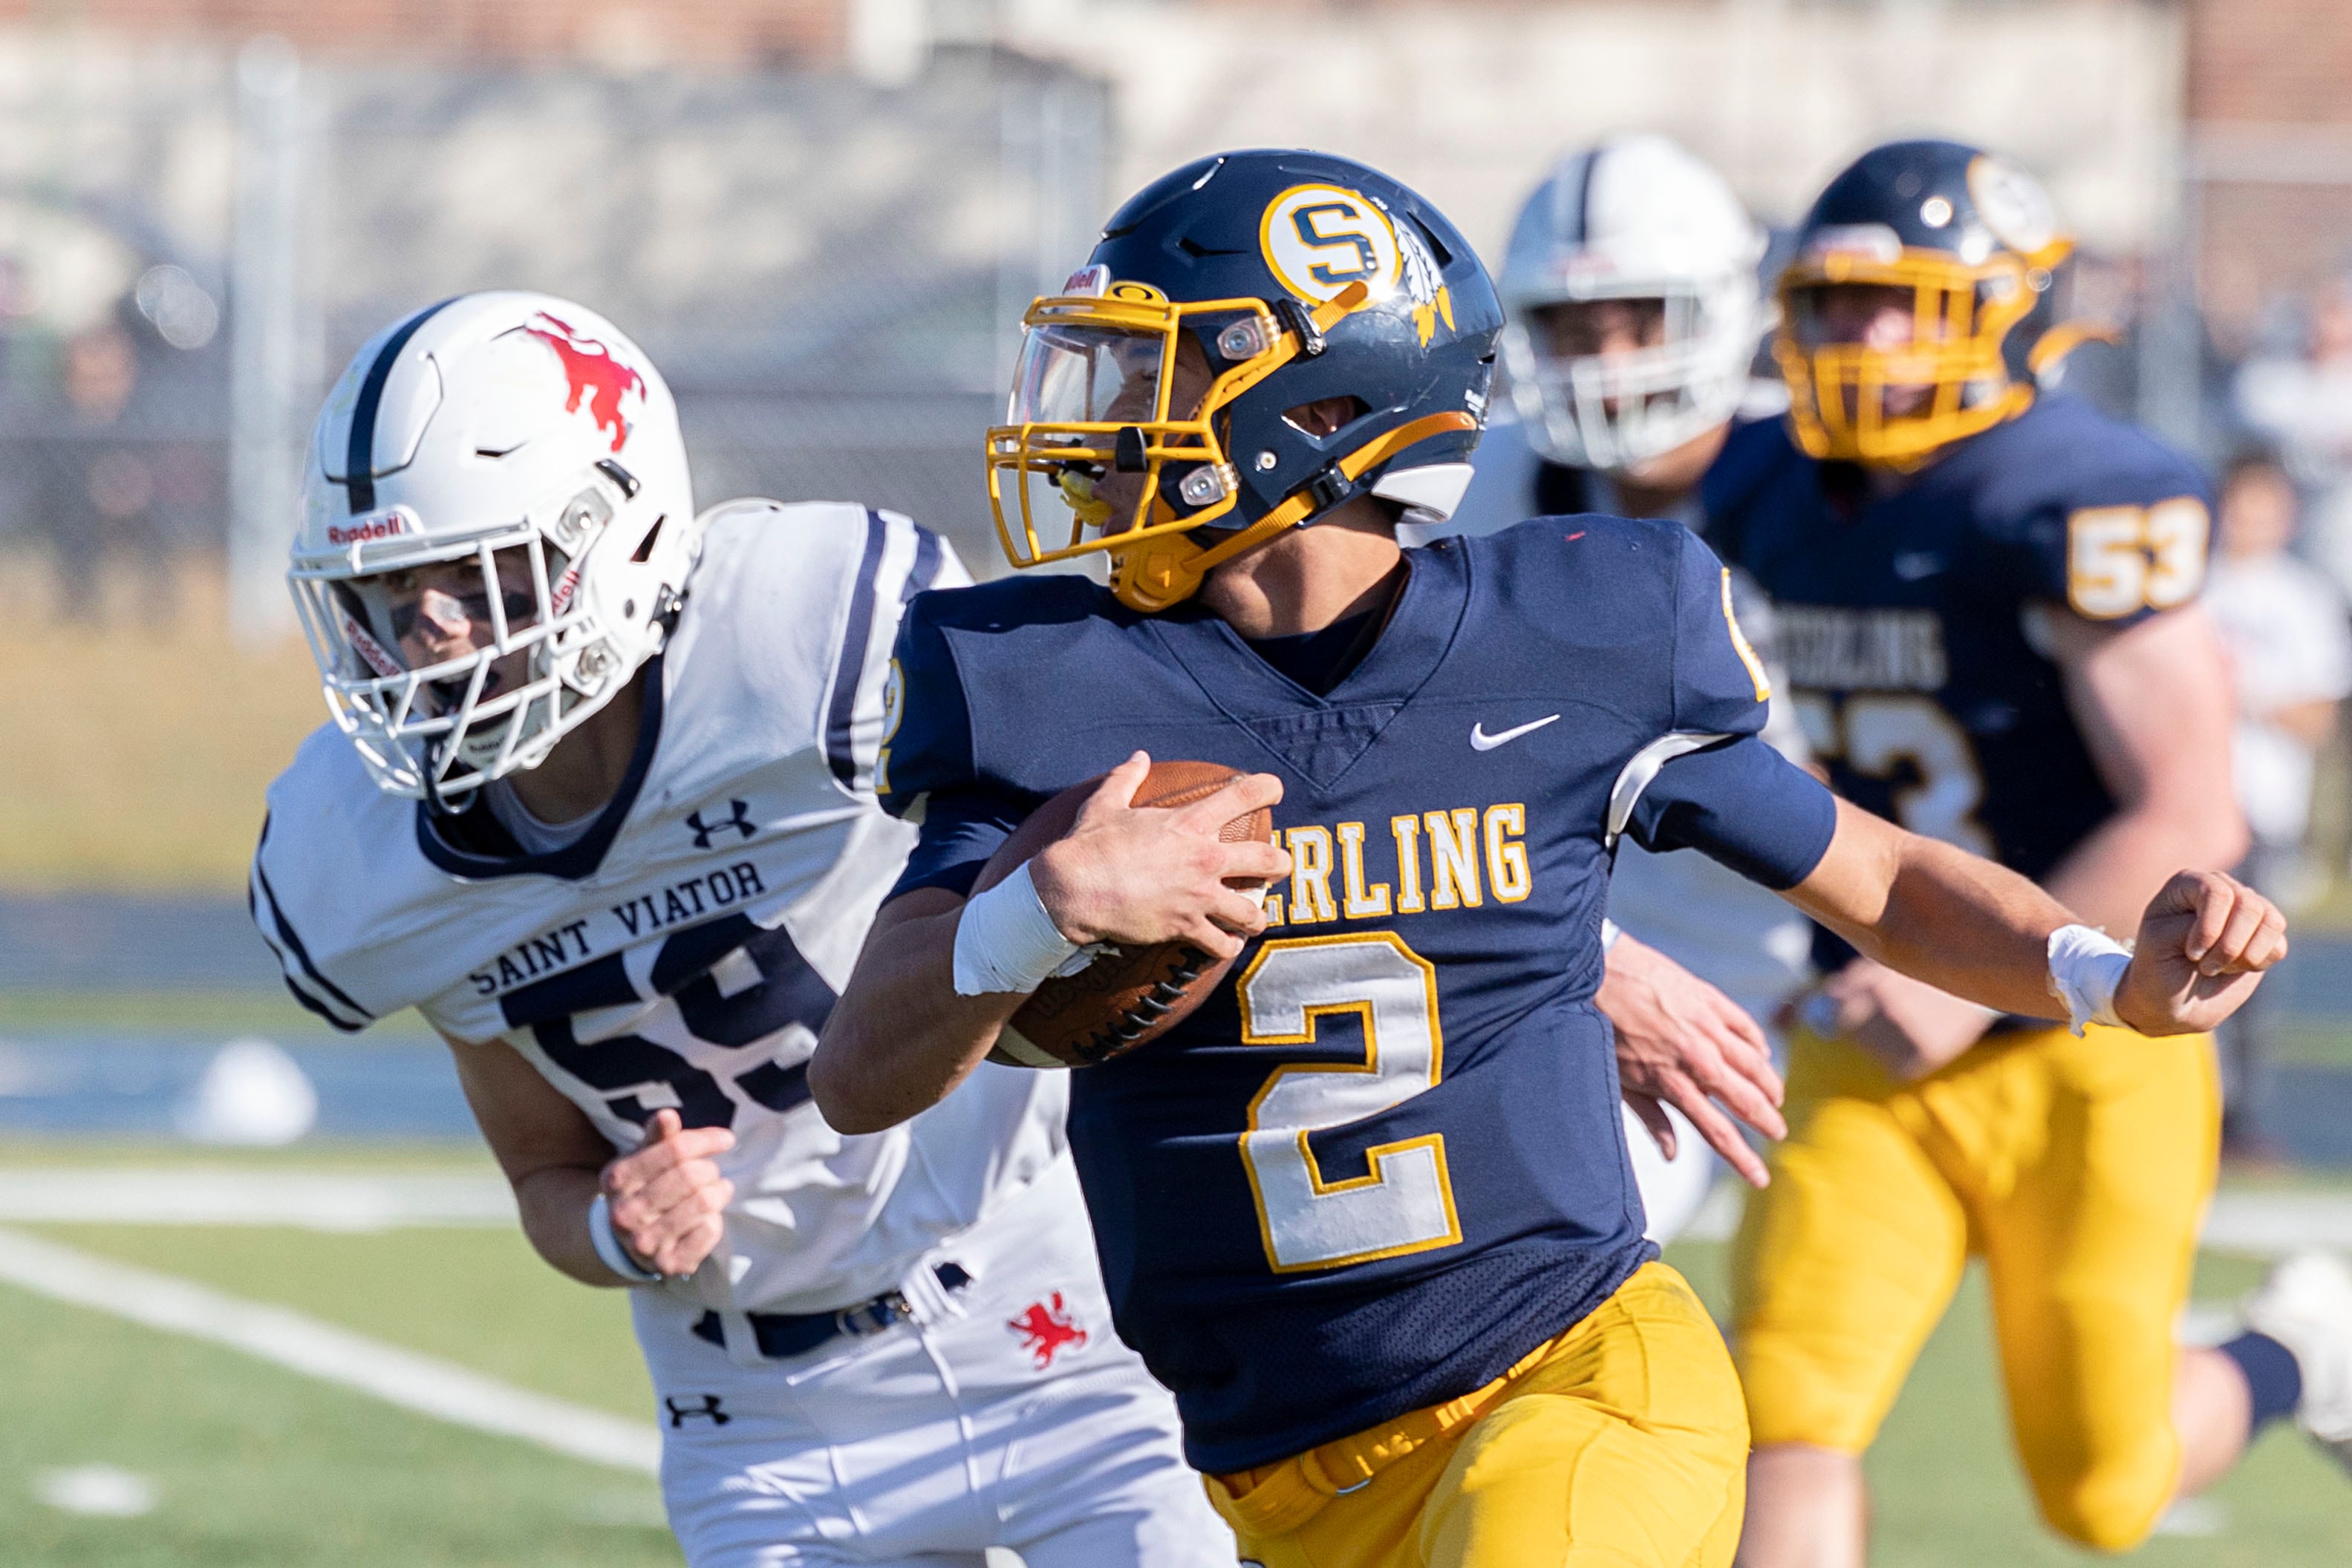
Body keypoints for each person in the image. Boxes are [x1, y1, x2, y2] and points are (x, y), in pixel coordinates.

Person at [806, 149, 2284, 1568]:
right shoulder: (1040, 677)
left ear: (1313, 401)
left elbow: (1876, 879)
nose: (1102, 414)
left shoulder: (1574, 630)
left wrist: (2096, 973)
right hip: (1277, 1463)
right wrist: (1033, 913)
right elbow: (860, 1076)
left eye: (1154, 369)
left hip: (1567, 1383)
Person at [248, 291, 1234, 1568]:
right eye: (390, 598)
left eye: (473, 581)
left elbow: (1089, 770)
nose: (428, 641)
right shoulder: (364, 857)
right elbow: (542, 1171)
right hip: (765, 1425)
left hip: (1049, 1316)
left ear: (615, 533)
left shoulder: (800, 639)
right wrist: (610, 1225)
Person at [1709, 140, 2352, 1564]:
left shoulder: (2069, 494)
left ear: (2008, 312)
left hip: (2089, 1038)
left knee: (2100, 1491)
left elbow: (2193, 809)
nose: (1859, 338)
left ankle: (2295, 1348)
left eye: (1905, 305)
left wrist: (1967, 978)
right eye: (1831, 302)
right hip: (1867, 1029)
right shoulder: (1765, 478)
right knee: (1787, 1402)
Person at [1447, 131, 1810, 1241]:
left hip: (1765, 977)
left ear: (1717, 309)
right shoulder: (1476, 485)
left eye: (1638, 319)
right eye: (1570, 326)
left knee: (1543, 1229)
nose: (1606, 361)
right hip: (1531, 949)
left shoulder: (1822, 489)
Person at [2204, 448, 2352, 1153]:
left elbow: (2318, 718)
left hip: (2261, 806)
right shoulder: (2183, 584)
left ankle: (2239, 1122)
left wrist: (2243, 690)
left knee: (2247, 966)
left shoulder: (2300, 596)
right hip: (2182, 802)